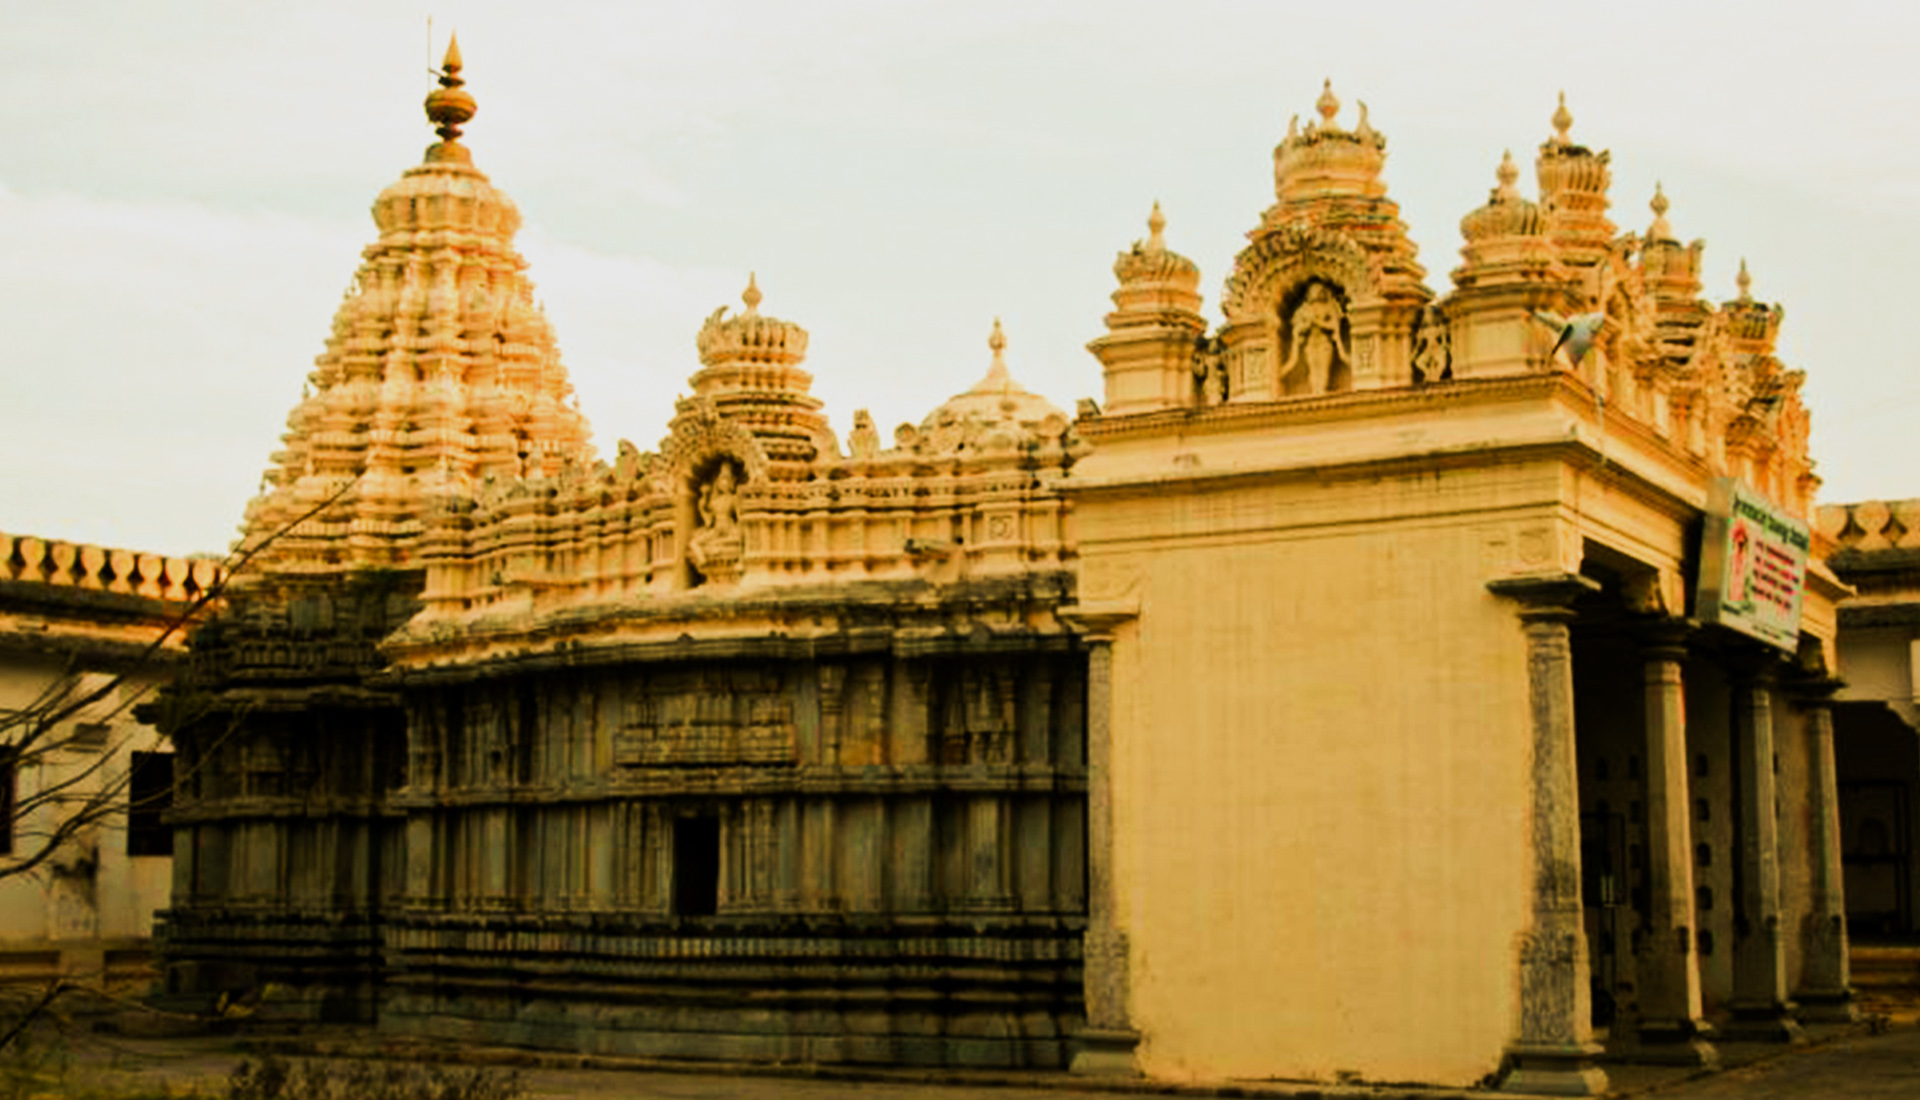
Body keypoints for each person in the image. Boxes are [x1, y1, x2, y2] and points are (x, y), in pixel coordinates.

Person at [1282, 283, 1349, 393]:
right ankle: (1315, 391)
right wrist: (1307, 324)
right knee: (1313, 369)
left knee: (1323, 368)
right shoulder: (1305, 309)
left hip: (1324, 342)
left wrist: (1317, 322)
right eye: (1313, 291)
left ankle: (1322, 389)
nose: (1316, 293)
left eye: (1318, 290)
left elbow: (1333, 326)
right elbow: (1298, 328)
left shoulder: (1329, 306)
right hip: (1311, 343)